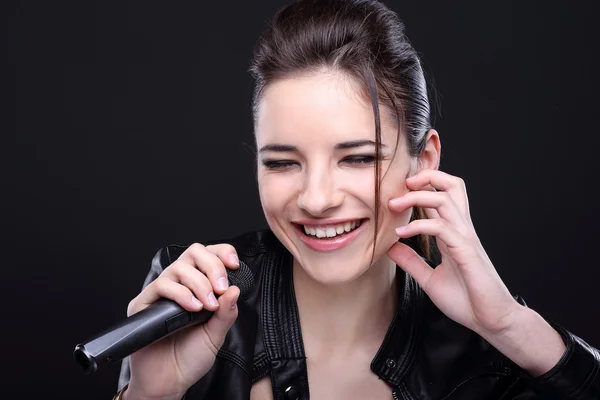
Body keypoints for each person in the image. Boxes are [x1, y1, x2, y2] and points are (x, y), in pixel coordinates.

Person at [115, 0, 600, 399]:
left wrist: (514, 329)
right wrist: (149, 396)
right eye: (282, 162)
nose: (318, 199)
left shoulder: (494, 352)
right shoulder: (186, 299)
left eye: (358, 158)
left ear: (425, 159)